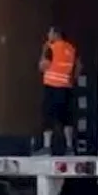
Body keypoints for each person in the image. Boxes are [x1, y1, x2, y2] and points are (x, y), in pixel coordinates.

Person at [38, 26, 81, 155]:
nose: (48, 35)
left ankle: (46, 148)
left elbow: (42, 67)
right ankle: (69, 147)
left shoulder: (51, 48)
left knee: (48, 116)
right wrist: (72, 80)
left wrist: (43, 51)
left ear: (56, 34)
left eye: (50, 32)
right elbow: (78, 66)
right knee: (66, 117)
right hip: (66, 87)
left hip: (52, 87)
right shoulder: (71, 48)